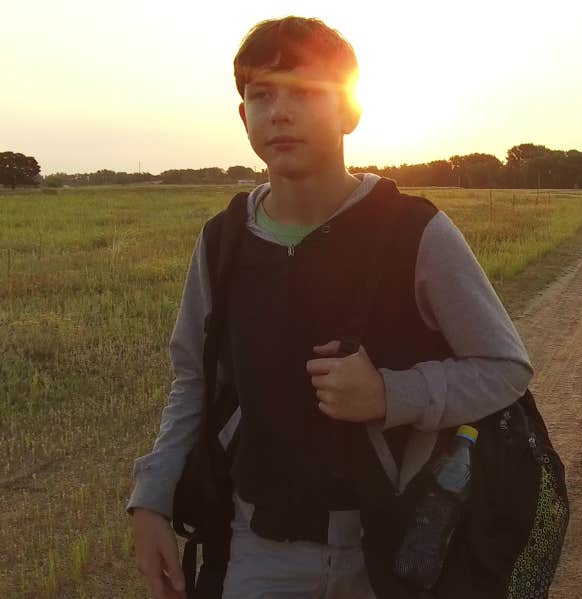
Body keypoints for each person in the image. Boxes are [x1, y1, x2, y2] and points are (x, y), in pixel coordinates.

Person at [127, 16, 532, 599]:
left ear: (350, 110)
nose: (280, 112)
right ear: (243, 116)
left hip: (397, 550)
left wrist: (390, 396)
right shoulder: (223, 241)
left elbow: (506, 368)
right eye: (261, 95)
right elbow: (192, 378)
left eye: (306, 93)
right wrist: (151, 499)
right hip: (257, 549)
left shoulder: (414, 231)